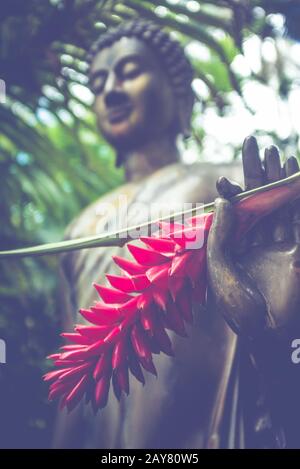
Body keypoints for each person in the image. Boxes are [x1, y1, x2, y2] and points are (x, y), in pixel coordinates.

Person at [52, 19, 300, 448]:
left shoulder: (233, 185)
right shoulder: (79, 228)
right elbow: (69, 390)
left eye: (130, 71)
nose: (110, 89)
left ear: (179, 96)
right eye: (97, 82)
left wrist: (278, 329)